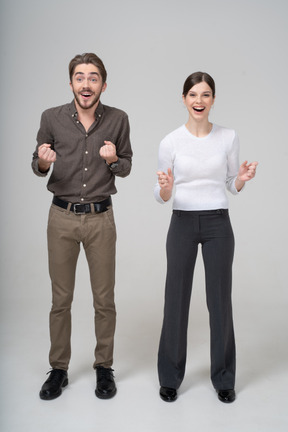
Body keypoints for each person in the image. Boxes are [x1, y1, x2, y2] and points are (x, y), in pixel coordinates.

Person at [32, 53, 133, 401]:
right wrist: (42, 163)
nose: (86, 84)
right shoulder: (52, 118)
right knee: (61, 300)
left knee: (104, 300)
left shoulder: (118, 119)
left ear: (103, 85)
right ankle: (58, 369)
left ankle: (104, 367)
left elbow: (126, 166)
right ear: (71, 82)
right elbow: (37, 162)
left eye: (93, 78)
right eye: (80, 77)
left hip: (101, 219)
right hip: (60, 218)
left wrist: (113, 160)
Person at [154, 72, 257, 403]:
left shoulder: (228, 137)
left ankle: (224, 379)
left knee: (220, 302)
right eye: (193, 95)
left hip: (217, 223)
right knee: (176, 301)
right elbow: (160, 193)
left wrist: (240, 179)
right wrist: (166, 189)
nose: (199, 101)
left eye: (206, 95)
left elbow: (230, 183)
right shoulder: (170, 141)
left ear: (213, 100)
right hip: (182, 222)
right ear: (183, 99)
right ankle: (170, 377)